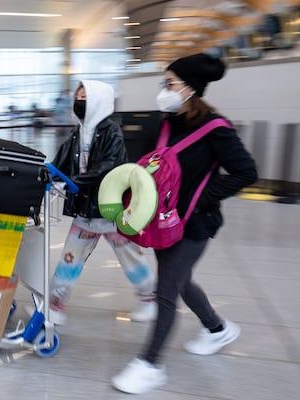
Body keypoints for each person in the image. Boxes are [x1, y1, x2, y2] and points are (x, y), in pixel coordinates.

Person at [111, 54, 258, 395]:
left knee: (167, 290)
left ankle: (149, 364)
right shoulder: (163, 123)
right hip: (163, 223)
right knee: (180, 280)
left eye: (171, 83)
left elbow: (246, 172)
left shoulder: (216, 128)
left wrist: (198, 201)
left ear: (191, 89)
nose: (164, 89)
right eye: (164, 83)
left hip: (194, 225)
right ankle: (217, 328)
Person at [49, 80, 157, 325]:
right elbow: (61, 161)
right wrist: (52, 176)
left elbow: (109, 165)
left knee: (132, 258)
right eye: (78, 95)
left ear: (99, 100)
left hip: (111, 211)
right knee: (70, 258)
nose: (79, 100)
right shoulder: (78, 133)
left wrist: (73, 181)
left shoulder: (111, 131)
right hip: (84, 212)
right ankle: (55, 304)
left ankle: (149, 299)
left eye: (85, 96)